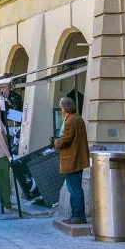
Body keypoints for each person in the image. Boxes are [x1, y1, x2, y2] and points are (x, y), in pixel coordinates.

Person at [51, 96, 90, 225]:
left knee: (74, 189)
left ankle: (78, 215)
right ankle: (76, 215)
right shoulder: (78, 118)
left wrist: (56, 143)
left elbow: (66, 139)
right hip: (76, 158)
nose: (61, 110)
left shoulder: (71, 121)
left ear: (65, 108)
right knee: (76, 188)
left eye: (62, 108)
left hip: (72, 159)